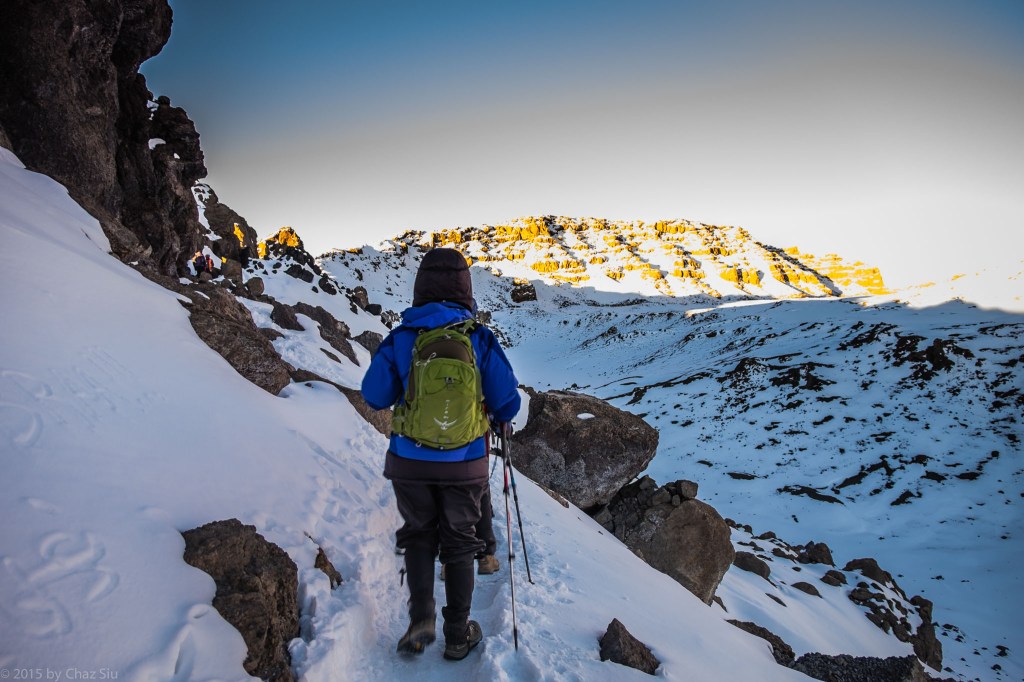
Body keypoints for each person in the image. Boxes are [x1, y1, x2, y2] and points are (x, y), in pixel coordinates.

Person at [361, 248, 520, 660]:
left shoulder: (402, 337)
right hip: (466, 462)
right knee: (460, 541)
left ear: (420, 287)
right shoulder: (479, 338)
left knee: (418, 534)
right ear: (466, 288)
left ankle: (421, 619)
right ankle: (457, 632)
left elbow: (373, 394)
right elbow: (509, 403)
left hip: (410, 459)